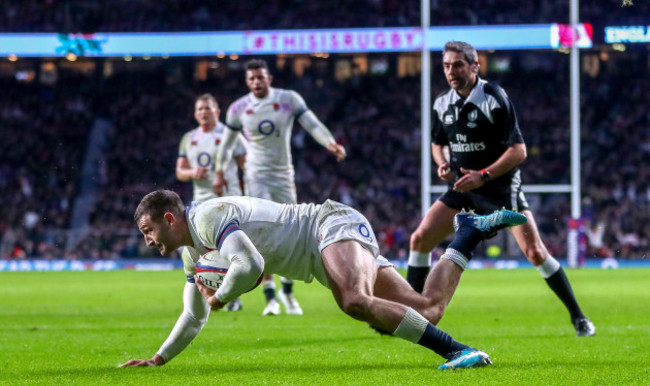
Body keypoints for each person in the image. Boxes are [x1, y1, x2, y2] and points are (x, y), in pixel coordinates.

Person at [119, 189, 527, 369]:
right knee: (427, 310)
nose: (148, 240)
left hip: (327, 224)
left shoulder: (207, 217)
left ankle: (460, 352)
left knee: (353, 301)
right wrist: (159, 358)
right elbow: (193, 316)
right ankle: (469, 233)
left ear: (169, 218)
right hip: (320, 255)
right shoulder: (191, 253)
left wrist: (222, 296)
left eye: (148, 230)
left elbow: (249, 265)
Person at [406, 41, 595, 337]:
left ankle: (579, 317)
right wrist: (442, 162)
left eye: (457, 64)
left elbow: (519, 151)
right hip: (463, 187)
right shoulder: (442, 102)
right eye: (446, 65)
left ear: (474, 65)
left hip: (499, 188)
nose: (450, 71)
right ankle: (410, 313)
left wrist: (484, 175)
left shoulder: (494, 97)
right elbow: (436, 142)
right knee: (419, 239)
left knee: (535, 252)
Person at [213, 59, 346, 316]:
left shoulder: (288, 99)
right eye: (251, 79)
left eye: (260, 78)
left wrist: (330, 143)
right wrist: (219, 171)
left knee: (291, 231)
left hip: (284, 175)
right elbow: (226, 145)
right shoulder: (238, 108)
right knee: (263, 233)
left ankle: (288, 292)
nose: (256, 83)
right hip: (255, 176)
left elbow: (312, 124)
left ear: (269, 78)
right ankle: (270, 297)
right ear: (247, 82)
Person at [176, 93, 247, 311]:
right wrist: (192, 173)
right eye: (200, 109)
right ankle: (212, 292)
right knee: (191, 249)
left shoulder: (231, 135)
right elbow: (180, 171)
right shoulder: (189, 138)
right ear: (195, 114)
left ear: (217, 111)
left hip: (228, 199)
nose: (203, 112)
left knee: (226, 249)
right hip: (201, 202)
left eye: (208, 108)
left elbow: (247, 168)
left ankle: (230, 295)